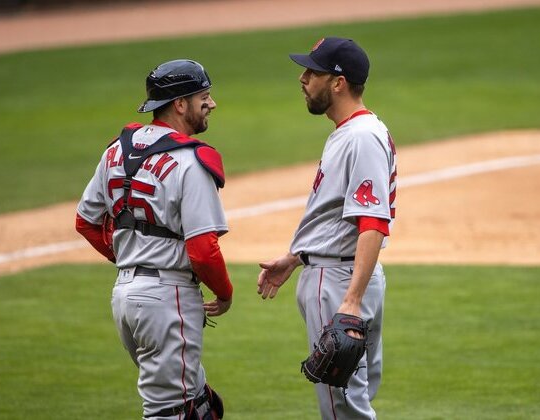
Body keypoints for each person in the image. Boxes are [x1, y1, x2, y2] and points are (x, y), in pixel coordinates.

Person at [75, 59, 231, 419]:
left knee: (200, 405)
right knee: (173, 410)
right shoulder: (190, 162)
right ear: (180, 104)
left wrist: (132, 260)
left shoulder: (116, 150)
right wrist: (225, 293)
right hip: (166, 301)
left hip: (126, 299)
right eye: (204, 96)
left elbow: (85, 221)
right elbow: (203, 251)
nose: (212, 104)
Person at [257, 37, 397, 419]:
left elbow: (372, 222)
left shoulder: (361, 137)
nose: (303, 79)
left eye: (312, 72)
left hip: (338, 279)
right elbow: (337, 217)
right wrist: (295, 257)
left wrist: (350, 301)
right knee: (355, 398)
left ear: (338, 82)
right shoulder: (353, 132)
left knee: (343, 406)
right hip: (339, 270)